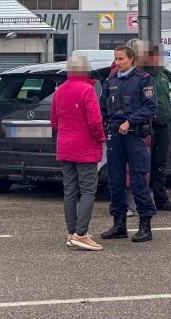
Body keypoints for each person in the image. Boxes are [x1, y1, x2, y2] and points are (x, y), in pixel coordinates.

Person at [100, 45, 158, 243]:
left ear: (132, 59)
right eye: (116, 59)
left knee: (138, 180)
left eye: (121, 59)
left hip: (134, 134)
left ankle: (145, 225)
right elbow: (102, 107)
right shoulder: (111, 81)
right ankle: (119, 224)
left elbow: (151, 106)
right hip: (115, 134)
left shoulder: (143, 80)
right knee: (115, 179)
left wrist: (130, 121)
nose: (118, 63)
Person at [51, 55, 105, 251]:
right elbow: (95, 121)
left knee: (70, 191)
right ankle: (81, 234)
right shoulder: (87, 90)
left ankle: (71, 232)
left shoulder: (59, 91)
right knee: (89, 190)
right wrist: (100, 138)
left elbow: (54, 120)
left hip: (65, 147)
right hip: (85, 148)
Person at [142, 43, 171, 211]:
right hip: (148, 126)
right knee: (144, 165)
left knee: (160, 164)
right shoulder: (143, 76)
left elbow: (169, 102)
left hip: (163, 126)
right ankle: (145, 201)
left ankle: (161, 199)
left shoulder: (163, 76)